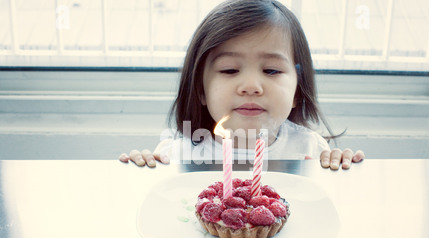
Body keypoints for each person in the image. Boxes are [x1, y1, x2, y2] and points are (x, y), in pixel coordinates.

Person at [119, 0, 365, 170]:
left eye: (271, 70)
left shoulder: (309, 150)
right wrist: (145, 168)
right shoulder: (178, 155)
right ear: (201, 89)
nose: (250, 86)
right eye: (229, 70)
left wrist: (337, 166)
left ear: (297, 92)